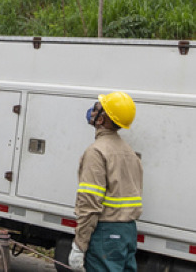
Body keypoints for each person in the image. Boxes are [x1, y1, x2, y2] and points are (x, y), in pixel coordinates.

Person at [69, 91, 143, 272]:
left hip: (106, 234)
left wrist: (79, 246)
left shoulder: (96, 152)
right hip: (128, 232)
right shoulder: (129, 152)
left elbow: (89, 204)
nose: (92, 111)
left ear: (102, 119)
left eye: (96, 109)